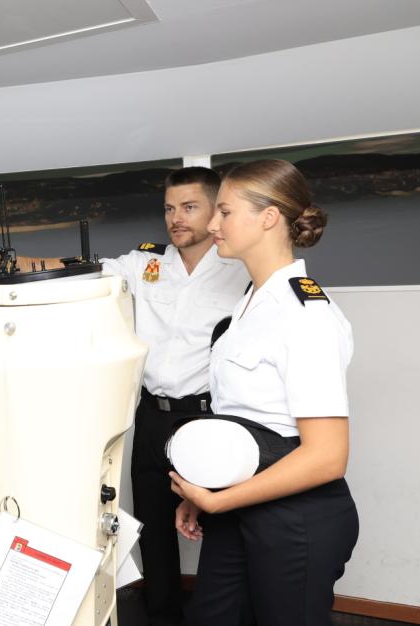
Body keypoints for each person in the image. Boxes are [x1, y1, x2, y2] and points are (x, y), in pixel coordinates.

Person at [0, 167, 250, 626]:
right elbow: (81, 269)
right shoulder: (149, 262)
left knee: (222, 531)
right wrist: (7, 265)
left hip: (209, 418)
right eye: (170, 208)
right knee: (154, 532)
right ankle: (164, 618)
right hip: (152, 416)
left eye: (189, 207)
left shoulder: (241, 271)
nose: (176, 218)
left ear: (217, 211)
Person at [170, 159, 359, 626]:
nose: (212, 225)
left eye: (225, 212)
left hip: (296, 519)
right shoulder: (248, 306)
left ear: (269, 217)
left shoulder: (304, 313)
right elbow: (243, 420)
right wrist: (206, 490)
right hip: (241, 504)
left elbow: (327, 457)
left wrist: (218, 500)